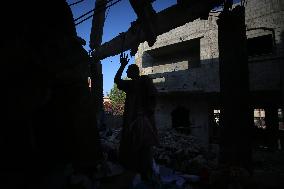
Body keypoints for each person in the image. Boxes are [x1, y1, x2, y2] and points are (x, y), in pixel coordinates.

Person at [114, 53, 158, 182]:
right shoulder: (130, 85)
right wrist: (122, 66)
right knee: (131, 145)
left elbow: (153, 96)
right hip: (131, 121)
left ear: (134, 71)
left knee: (143, 146)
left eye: (128, 70)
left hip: (142, 120)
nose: (126, 72)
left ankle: (145, 174)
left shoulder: (144, 80)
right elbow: (117, 80)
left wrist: (144, 113)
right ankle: (134, 172)